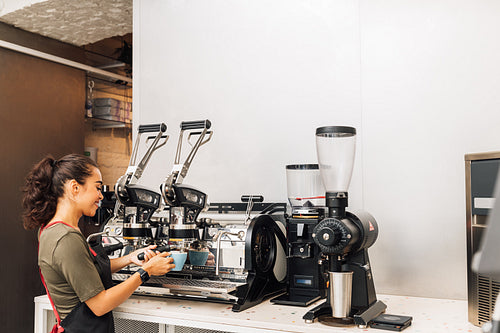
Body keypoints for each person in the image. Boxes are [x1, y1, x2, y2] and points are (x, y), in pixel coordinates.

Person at [22, 154, 175, 333]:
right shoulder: (66, 238)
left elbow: (85, 272)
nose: (101, 196)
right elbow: (100, 305)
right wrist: (146, 272)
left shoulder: (51, 229)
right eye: (97, 188)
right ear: (74, 188)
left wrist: (130, 258)